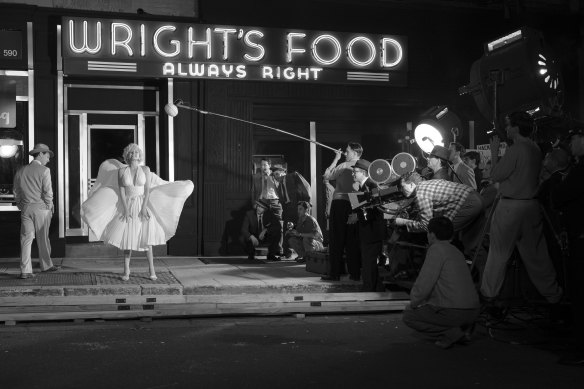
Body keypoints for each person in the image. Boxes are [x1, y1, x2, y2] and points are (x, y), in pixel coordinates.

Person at [480, 112, 562, 304]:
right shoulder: (534, 148)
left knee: (498, 254)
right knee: (537, 256)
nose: (506, 129)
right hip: (531, 206)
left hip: (511, 207)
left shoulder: (516, 149)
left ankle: (489, 296)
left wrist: (494, 151)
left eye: (508, 125)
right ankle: (554, 296)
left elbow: (496, 175)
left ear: (516, 128)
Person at [82, 143, 193, 280]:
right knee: (127, 238)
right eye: (132, 152)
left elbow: (147, 189)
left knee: (147, 238)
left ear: (139, 155)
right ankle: (126, 270)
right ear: (128, 155)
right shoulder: (122, 171)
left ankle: (152, 270)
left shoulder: (145, 169)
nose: (135, 154)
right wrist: (125, 208)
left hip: (142, 203)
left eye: (137, 152)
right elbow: (122, 191)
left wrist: (144, 206)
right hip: (128, 204)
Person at [402, 216, 480, 349]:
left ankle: (452, 332)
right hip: (474, 311)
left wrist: (414, 302)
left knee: (409, 315)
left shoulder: (436, 249)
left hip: (454, 311)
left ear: (432, 235)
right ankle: (462, 328)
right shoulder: (456, 251)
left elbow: (424, 284)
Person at [551, 128, 584, 365]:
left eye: (574, 138)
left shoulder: (580, 171)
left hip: (581, 239)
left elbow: (560, 196)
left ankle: (580, 349)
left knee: (580, 293)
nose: (571, 143)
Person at [13, 143, 60, 279]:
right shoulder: (44, 170)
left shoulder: (21, 170)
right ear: (40, 154)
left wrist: (21, 205)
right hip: (41, 208)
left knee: (26, 239)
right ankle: (46, 265)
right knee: (43, 238)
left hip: (26, 208)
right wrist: (49, 205)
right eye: (47, 155)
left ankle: (25, 270)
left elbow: (16, 190)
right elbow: (48, 192)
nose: (48, 159)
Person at [322, 142, 363, 281]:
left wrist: (336, 158)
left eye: (348, 151)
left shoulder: (344, 165)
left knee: (336, 239)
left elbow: (326, 176)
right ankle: (355, 273)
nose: (346, 153)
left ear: (355, 153)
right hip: (356, 203)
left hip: (340, 202)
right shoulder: (364, 166)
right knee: (352, 240)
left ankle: (335, 274)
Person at [394, 171, 483, 234]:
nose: (401, 190)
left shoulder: (420, 193)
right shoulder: (427, 183)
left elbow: (425, 225)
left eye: (402, 187)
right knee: (471, 238)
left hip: (468, 203)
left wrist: (403, 222)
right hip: (475, 195)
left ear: (411, 185)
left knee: (444, 234)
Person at [351, 159, 385, 291]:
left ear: (364, 172)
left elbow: (375, 209)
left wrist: (357, 216)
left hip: (372, 231)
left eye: (355, 172)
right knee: (368, 262)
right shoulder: (363, 187)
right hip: (366, 230)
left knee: (368, 262)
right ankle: (377, 288)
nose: (353, 174)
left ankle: (368, 290)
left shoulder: (372, 186)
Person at [272, 164, 311, 259]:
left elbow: (306, 186)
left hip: (299, 207)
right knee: (287, 230)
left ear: (284, 172)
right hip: (288, 209)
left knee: (301, 229)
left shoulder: (293, 176)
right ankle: (287, 252)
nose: (276, 176)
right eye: (275, 175)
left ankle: (304, 254)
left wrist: (305, 204)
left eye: (278, 173)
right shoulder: (279, 185)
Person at [252, 158, 283, 257]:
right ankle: (270, 249)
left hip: (275, 201)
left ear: (269, 165)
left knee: (278, 225)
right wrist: (255, 202)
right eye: (261, 165)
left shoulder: (275, 175)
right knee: (265, 226)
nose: (263, 167)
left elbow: (281, 187)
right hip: (263, 202)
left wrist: (277, 177)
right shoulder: (257, 177)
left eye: (265, 165)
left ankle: (278, 248)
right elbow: (254, 191)